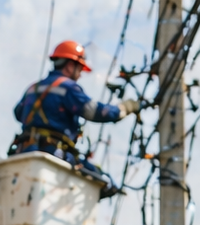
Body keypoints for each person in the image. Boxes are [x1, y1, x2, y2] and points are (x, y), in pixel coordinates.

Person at [12, 40, 141, 197]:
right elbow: (95, 112)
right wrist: (124, 109)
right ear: (69, 65)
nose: (80, 74)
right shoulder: (68, 88)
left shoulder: (33, 88)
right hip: (54, 153)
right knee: (104, 180)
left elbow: (18, 114)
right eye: (79, 68)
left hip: (23, 152)